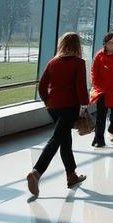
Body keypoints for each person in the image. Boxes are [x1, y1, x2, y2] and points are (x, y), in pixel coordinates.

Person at [27, 32, 89, 197]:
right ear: (77, 46)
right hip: (69, 107)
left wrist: (48, 102)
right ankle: (36, 172)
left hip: (53, 107)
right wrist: (84, 106)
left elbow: (42, 87)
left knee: (64, 140)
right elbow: (81, 87)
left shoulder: (52, 62)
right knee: (56, 140)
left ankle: (71, 175)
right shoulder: (78, 63)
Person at [90, 32, 113, 148]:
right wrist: (96, 86)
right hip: (102, 91)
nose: (111, 44)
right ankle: (98, 139)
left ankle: (111, 129)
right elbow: (93, 72)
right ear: (105, 44)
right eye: (109, 42)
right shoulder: (99, 55)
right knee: (100, 117)